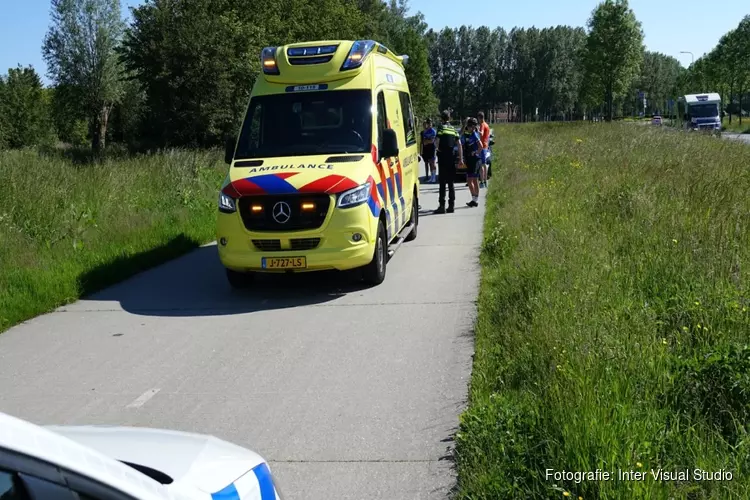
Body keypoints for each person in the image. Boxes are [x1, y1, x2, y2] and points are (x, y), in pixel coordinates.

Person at [434, 110, 462, 214]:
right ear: (449, 118)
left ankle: (442, 206)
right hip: (452, 157)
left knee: (442, 181)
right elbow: (459, 144)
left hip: (443, 156)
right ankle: (451, 205)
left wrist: (437, 149)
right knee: (451, 182)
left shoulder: (441, 128)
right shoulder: (453, 129)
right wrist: (461, 158)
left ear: (442, 118)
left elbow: (437, 141)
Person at [461, 117, 482, 207]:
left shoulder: (475, 135)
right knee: (472, 180)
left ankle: (475, 199)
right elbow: (460, 136)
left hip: (475, 160)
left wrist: (475, 152)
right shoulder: (467, 134)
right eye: (468, 126)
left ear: (474, 127)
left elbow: (481, 146)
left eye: (471, 126)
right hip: (469, 160)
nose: (469, 128)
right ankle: (474, 199)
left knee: (471, 180)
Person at [420, 118, 437, 183]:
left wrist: (428, 141)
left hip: (432, 148)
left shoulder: (433, 131)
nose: (429, 124)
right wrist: (427, 141)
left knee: (433, 162)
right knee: (430, 162)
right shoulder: (425, 131)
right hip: (427, 148)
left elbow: (432, 141)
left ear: (431, 124)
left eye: (430, 123)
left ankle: (434, 177)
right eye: (428, 123)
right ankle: (431, 176)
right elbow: (424, 141)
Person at [477, 111, 491, 188]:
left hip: (482, 146)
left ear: (480, 118)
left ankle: (482, 181)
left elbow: (481, 133)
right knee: (484, 164)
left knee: (481, 164)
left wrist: (477, 130)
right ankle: (485, 181)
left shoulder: (482, 125)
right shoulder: (487, 125)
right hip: (485, 145)